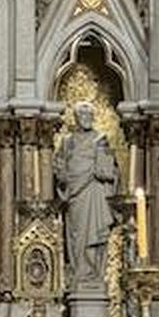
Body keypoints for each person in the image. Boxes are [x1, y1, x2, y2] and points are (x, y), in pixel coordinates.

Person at [52, 102, 118, 287]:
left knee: (95, 233)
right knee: (77, 235)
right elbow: (59, 164)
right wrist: (62, 175)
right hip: (75, 195)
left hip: (95, 192)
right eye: (82, 115)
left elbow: (110, 170)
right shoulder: (67, 141)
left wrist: (103, 167)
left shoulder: (101, 139)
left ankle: (94, 274)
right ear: (76, 118)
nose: (86, 118)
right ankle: (79, 273)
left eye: (89, 115)